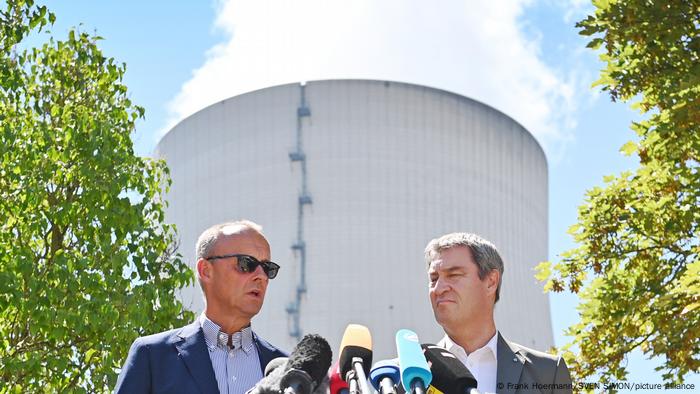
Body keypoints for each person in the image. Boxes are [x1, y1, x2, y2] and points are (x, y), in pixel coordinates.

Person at [115, 220, 286, 394]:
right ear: (205, 270)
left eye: (267, 268)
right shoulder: (153, 356)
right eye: (246, 263)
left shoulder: (287, 371)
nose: (261, 276)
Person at [425, 232, 572, 394]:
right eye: (433, 279)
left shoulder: (547, 372)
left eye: (454, 275)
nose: (438, 289)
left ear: (491, 281)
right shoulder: (403, 374)